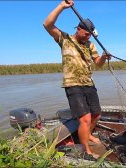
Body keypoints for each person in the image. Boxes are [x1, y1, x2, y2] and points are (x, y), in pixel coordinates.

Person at [43, 0, 110, 160]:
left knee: (96, 115)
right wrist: (62, 6)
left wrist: (103, 57)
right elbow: (47, 24)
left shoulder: (90, 45)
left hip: (89, 83)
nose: (87, 36)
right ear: (78, 29)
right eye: (86, 33)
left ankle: (88, 135)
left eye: (90, 34)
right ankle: (86, 149)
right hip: (73, 84)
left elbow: (98, 64)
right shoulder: (64, 39)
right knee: (85, 119)